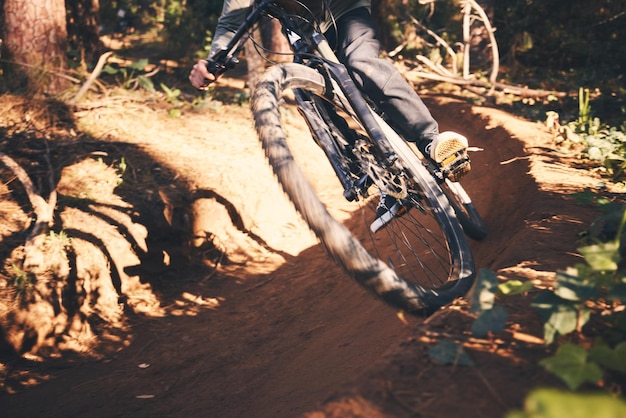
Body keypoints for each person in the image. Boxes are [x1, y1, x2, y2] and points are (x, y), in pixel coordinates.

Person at [189, 0, 470, 233]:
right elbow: (231, 22)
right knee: (306, 94)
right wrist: (214, 60)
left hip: (346, 13)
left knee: (361, 63)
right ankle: (376, 174)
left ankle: (430, 141)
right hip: (304, 35)